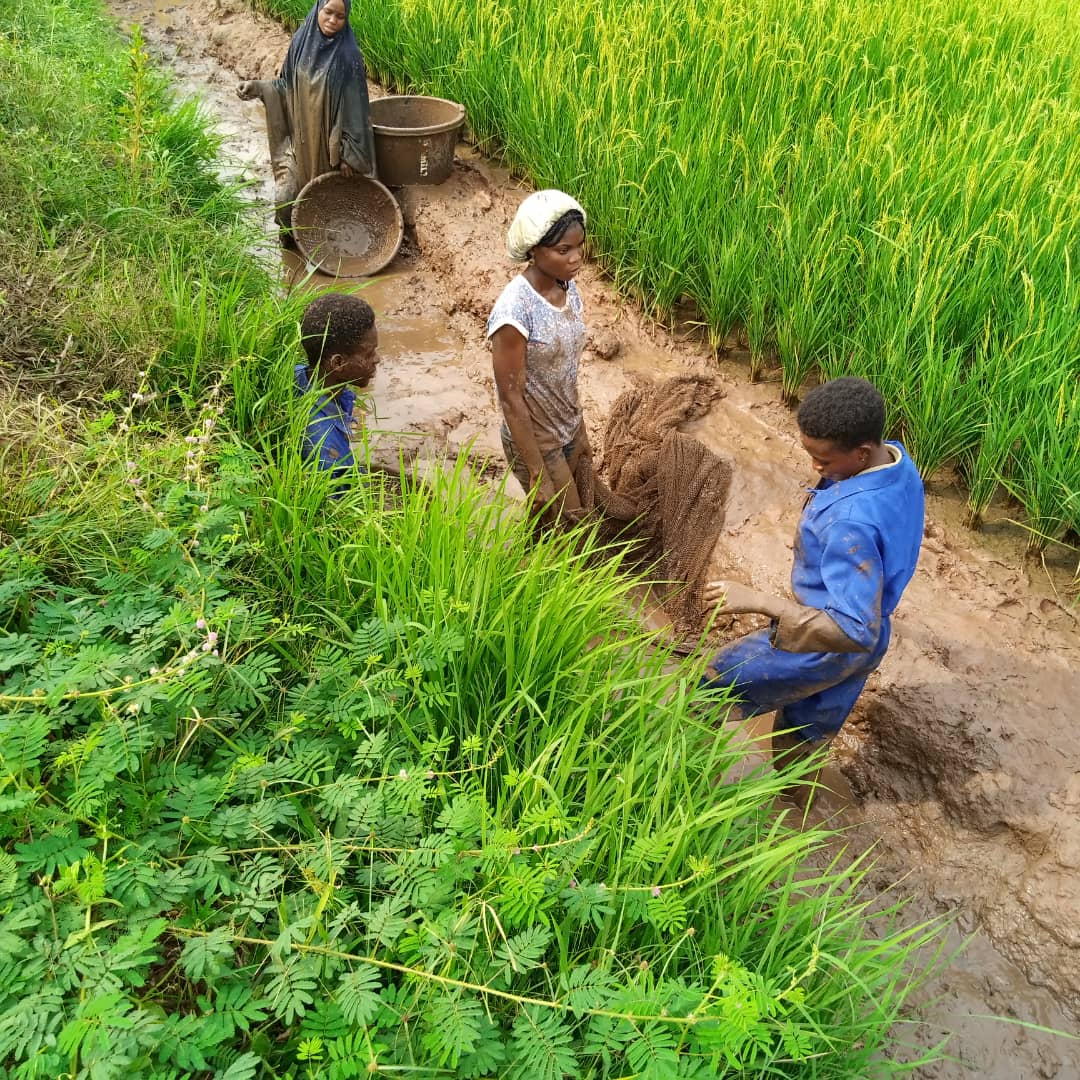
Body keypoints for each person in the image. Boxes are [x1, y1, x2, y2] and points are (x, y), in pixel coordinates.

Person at [700, 377, 924, 796]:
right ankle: (792, 807)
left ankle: (686, 784)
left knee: (714, 684)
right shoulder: (896, 460)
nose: (815, 469)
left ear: (860, 453)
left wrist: (760, 601)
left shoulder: (850, 523)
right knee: (807, 727)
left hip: (826, 640)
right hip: (869, 638)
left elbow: (852, 627)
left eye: (822, 461)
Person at [487, 190, 596, 527]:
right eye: (564, 250)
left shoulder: (567, 285)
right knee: (572, 528)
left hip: (569, 422)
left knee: (560, 520)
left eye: (579, 247)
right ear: (534, 251)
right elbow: (511, 398)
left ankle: (531, 554)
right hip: (537, 438)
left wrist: (580, 432)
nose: (576, 257)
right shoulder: (514, 312)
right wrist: (537, 472)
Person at [237, 0, 376, 238]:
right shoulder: (301, 42)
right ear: (317, 10)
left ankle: (320, 250)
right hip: (298, 144)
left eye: (340, 16)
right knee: (284, 201)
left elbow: (357, 111)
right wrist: (258, 87)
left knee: (327, 212)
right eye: (328, 12)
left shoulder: (348, 57)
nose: (332, 21)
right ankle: (290, 251)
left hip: (328, 152)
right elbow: (285, 86)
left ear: (346, 19)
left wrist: (349, 155)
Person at [295, 292, 378, 481]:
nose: (377, 359)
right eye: (369, 354)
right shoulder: (325, 452)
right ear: (338, 363)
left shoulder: (301, 374)